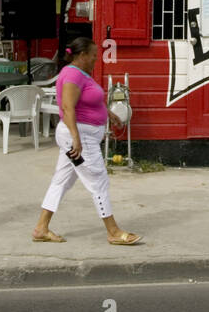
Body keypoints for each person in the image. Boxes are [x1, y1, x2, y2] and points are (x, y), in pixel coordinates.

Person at [32, 36, 142, 246]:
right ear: (81, 56)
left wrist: (108, 113)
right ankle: (113, 231)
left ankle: (41, 229)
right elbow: (67, 107)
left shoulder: (79, 73)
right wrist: (76, 139)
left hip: (82, 135)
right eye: (93, 56)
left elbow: (88, 101)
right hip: (80, 138)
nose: (95, 60)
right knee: (98, 180)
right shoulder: (73, 75)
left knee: (61, 181)